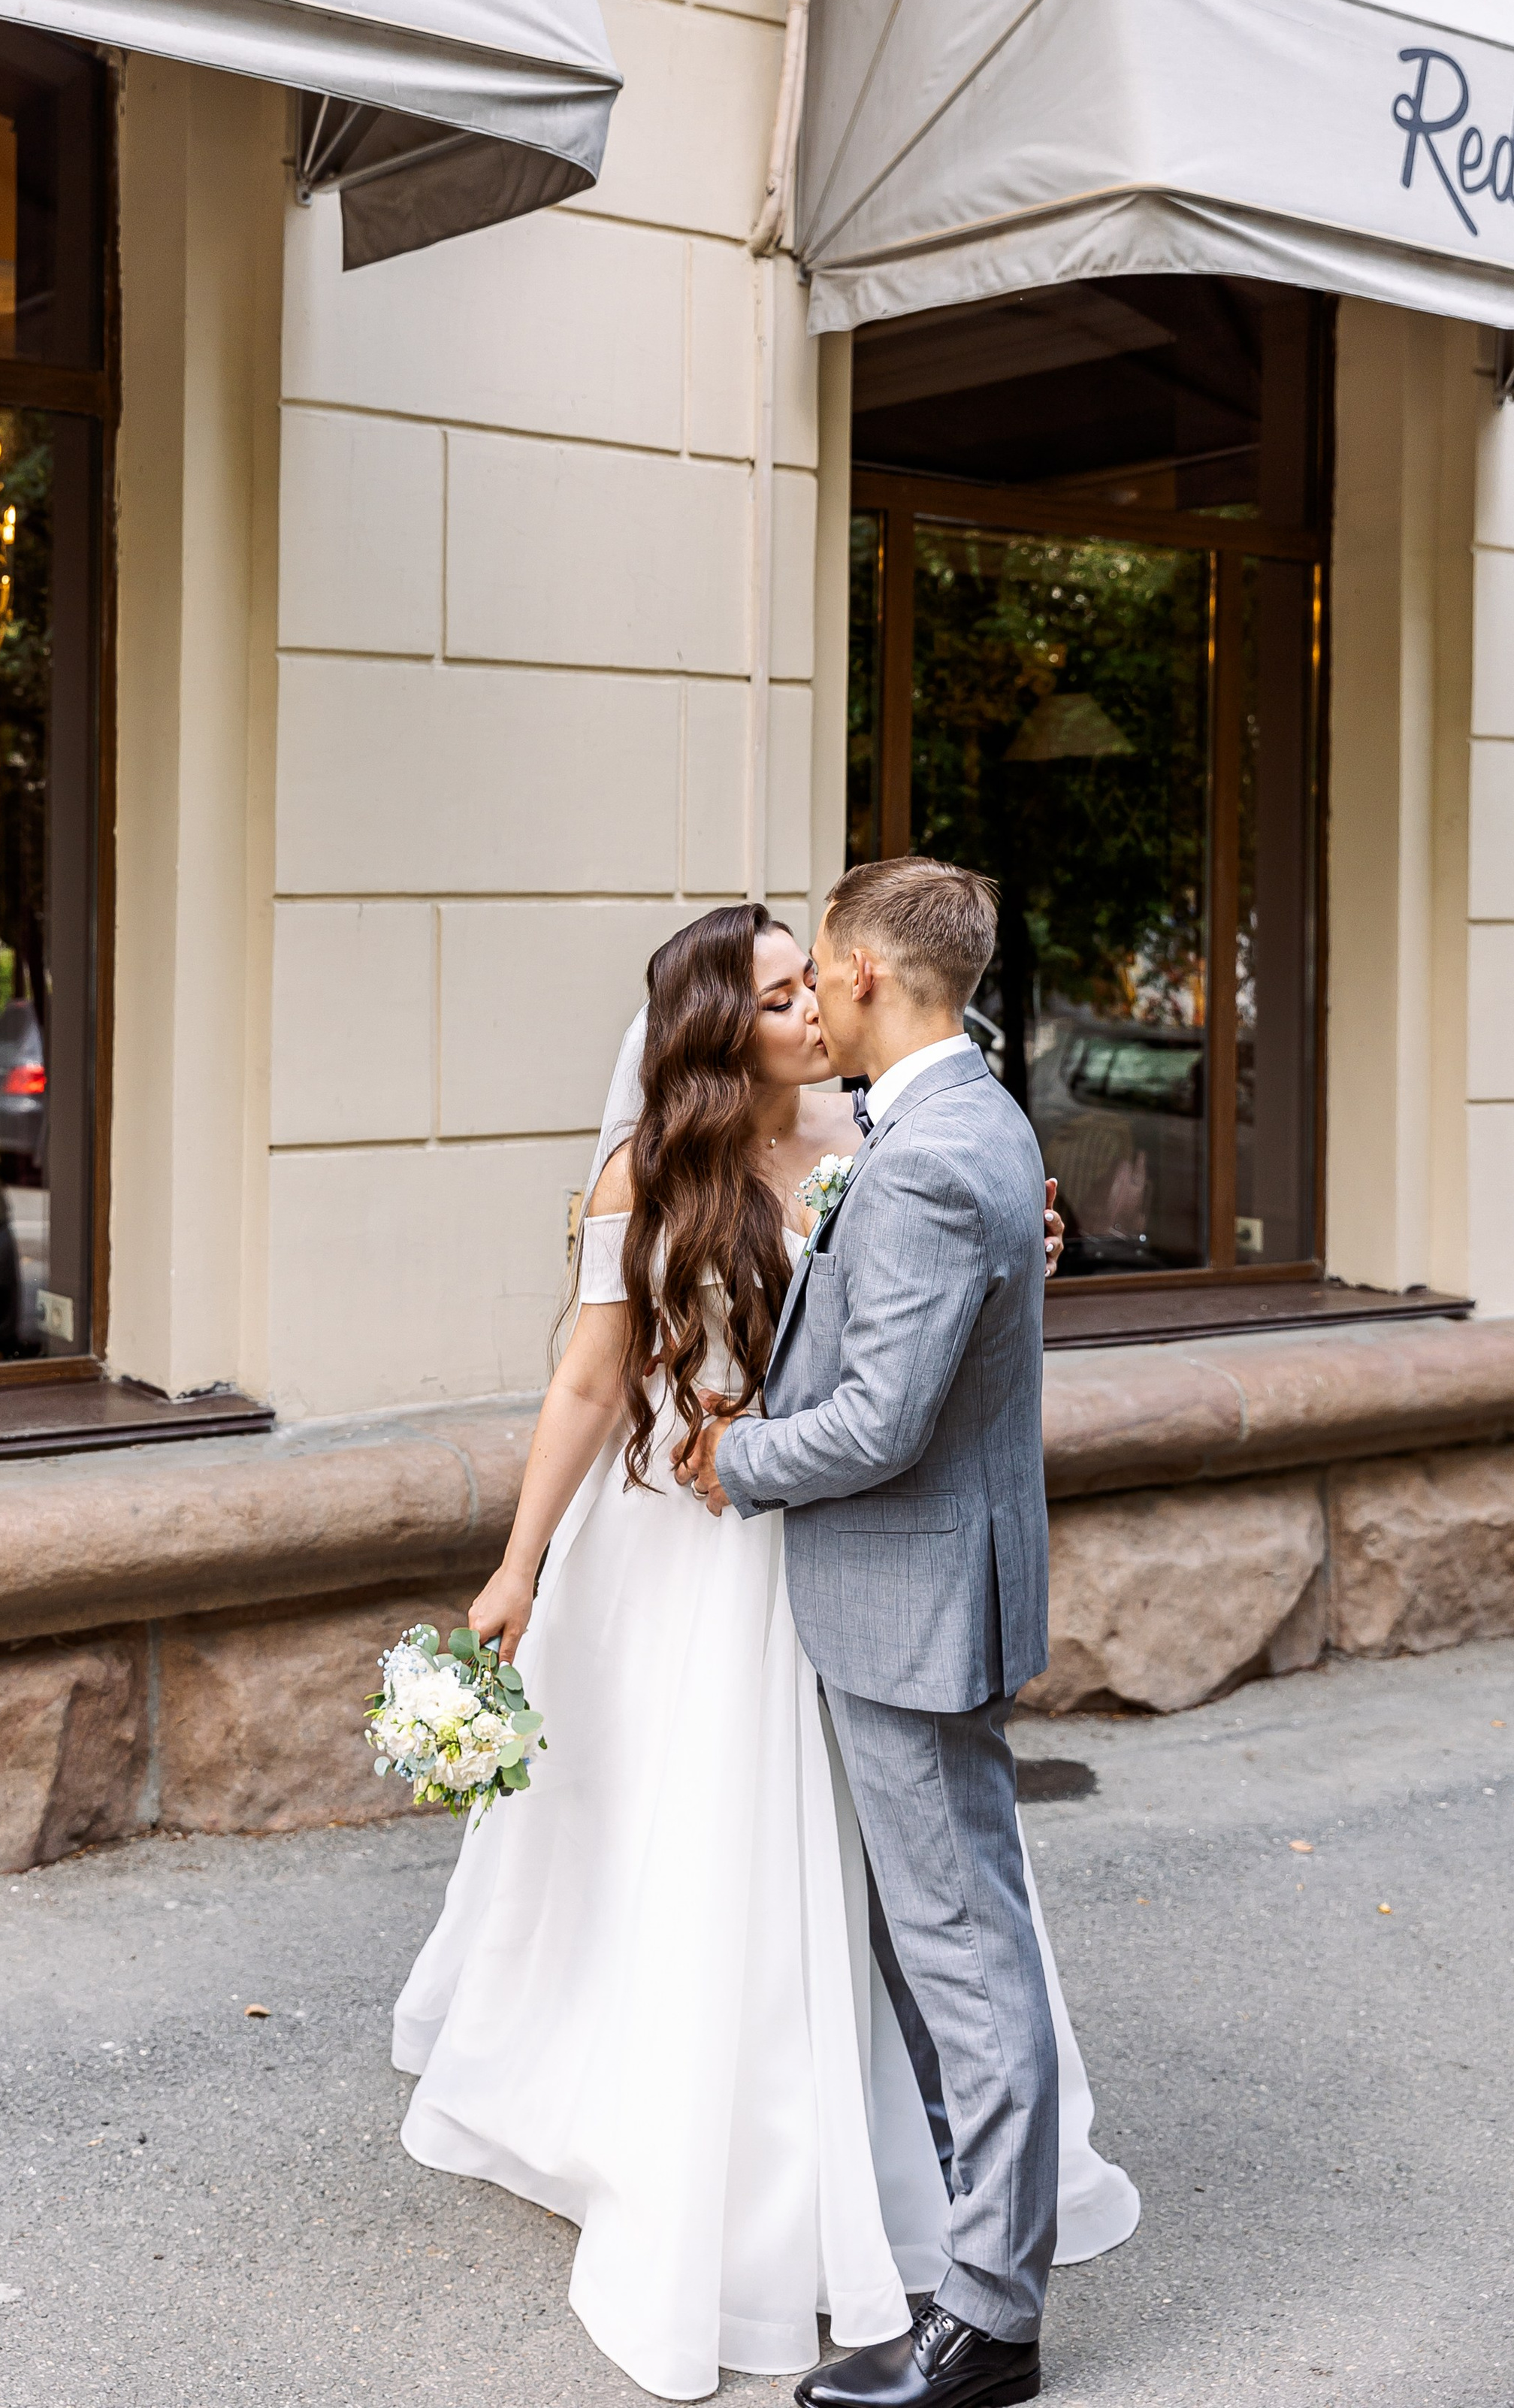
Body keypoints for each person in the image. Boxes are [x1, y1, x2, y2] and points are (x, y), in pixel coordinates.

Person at [392, 891, 1135, 2403]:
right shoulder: (649, 1177)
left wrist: (1020, 1246)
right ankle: (705, 2161)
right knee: (703, 1865)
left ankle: (900, 2194)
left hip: (815, 1543)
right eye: (779, 993)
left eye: (815, 983)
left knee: (871, 1887)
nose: (809, 1009)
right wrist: (517, 1563)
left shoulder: (886, 1148)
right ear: (719, 1029)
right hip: (681, 1554)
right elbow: (590, 1391)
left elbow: (906, 1343)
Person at [681, 861, 1065, 2408]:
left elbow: (880, 1423)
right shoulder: (957, 1116)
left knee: (962, 1959)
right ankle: (965, 2252)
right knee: (939, 1947)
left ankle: (987, 2325)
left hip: (908, 1594)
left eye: (821, 969)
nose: (815, 994)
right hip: (921, 1589)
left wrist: (734, 1465)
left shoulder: (920, 1152)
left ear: (859, 978)